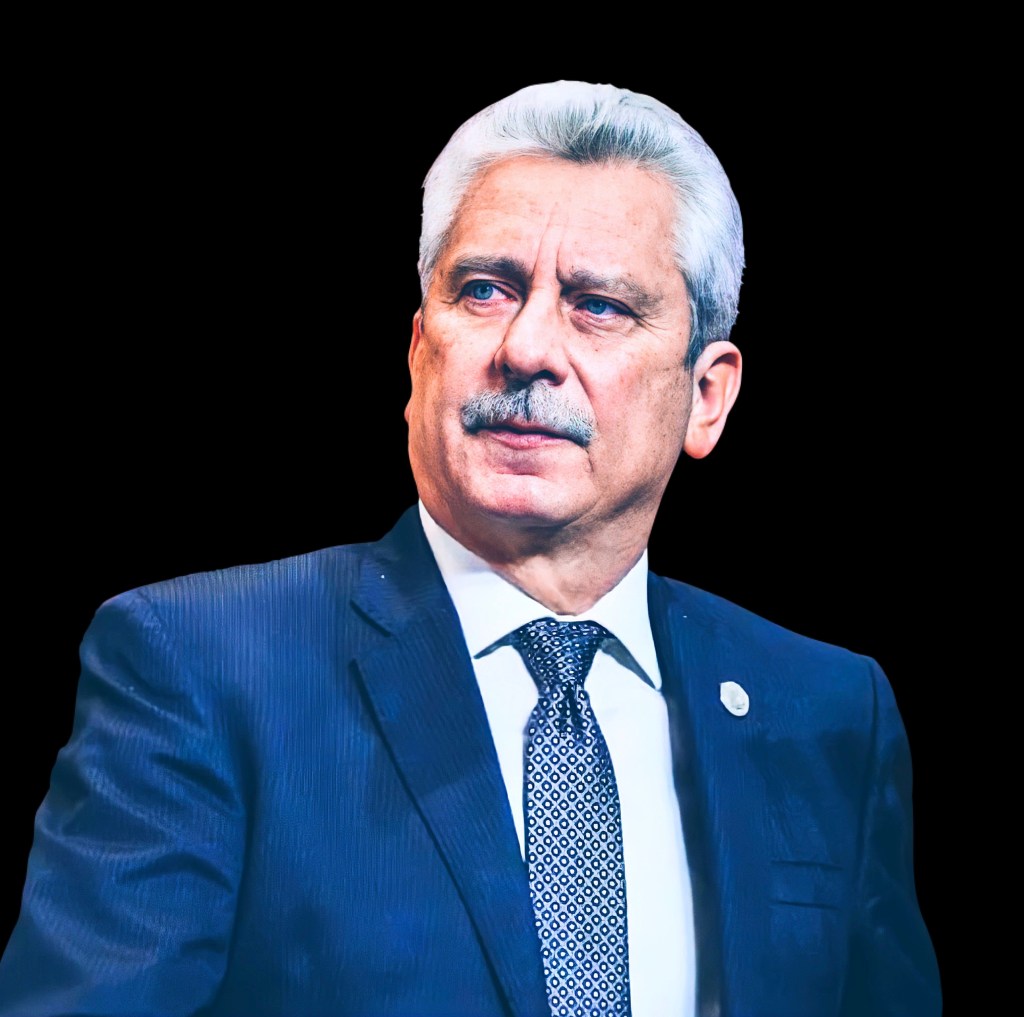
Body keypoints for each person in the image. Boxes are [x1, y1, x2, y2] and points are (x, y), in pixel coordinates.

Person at [0, 81, 940, 1016]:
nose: (526, 348)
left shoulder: (828, 712)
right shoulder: (203, 666)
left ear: (706, 396)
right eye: (486, 290)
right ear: (419, 354)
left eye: (598, 305)